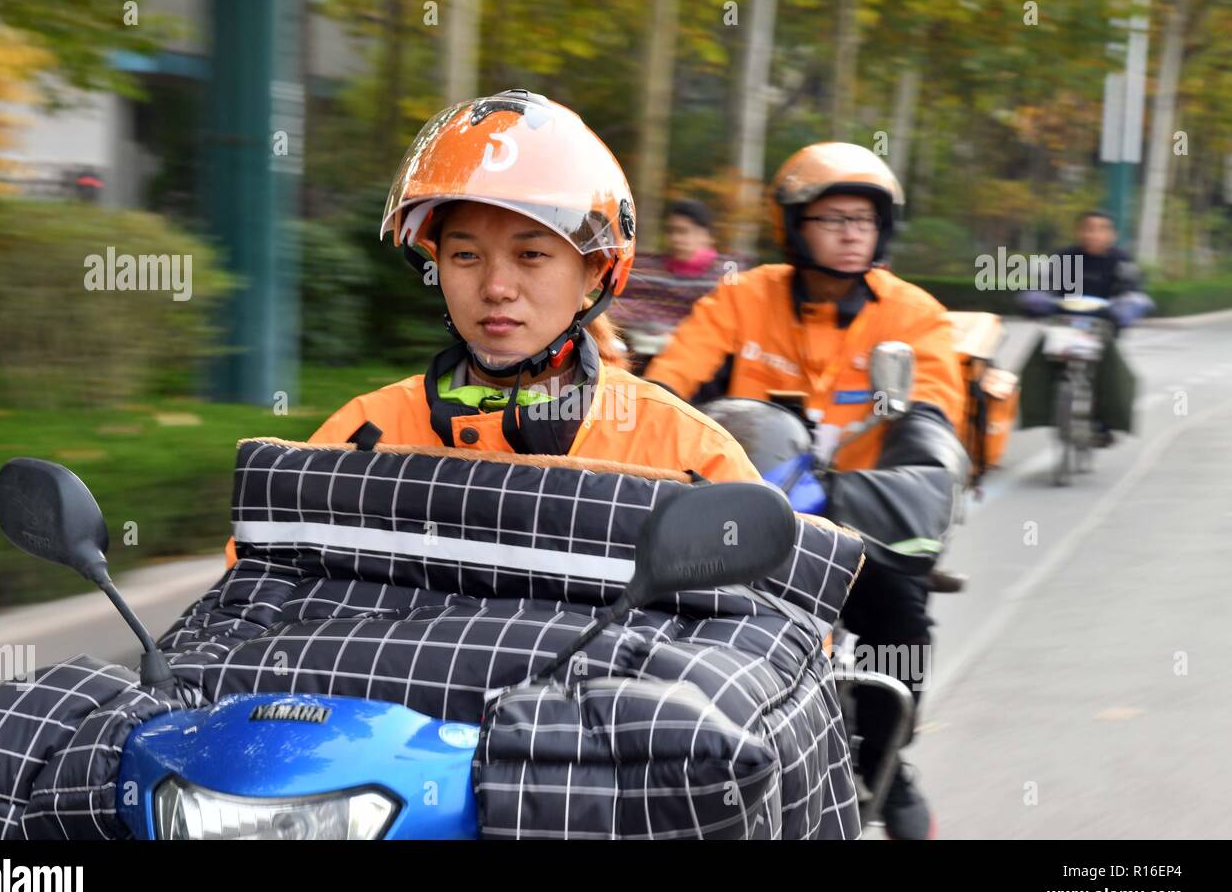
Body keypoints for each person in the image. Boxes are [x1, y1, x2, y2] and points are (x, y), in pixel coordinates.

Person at [223, 90, 760, 569]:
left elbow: (768, 638)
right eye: (465, 255)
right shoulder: (365, 431)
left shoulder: (687, 451)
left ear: (595, 272)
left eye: (531, 254)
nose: (496, 286)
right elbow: (252, 592)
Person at [645, 142, 969, 839]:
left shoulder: (914, 316)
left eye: (865, 219)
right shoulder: (741, 298)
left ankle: (887, 764)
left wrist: (915, 477)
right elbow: (673, 383)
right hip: (742, 520)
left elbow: (934, 414)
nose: (853, 232)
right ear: (794, 225)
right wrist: (646, 424)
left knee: (898, 633)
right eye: (833, 217)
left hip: (862, 528)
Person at [1016, 210, 1154, 447]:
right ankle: (1040, 413)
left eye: (1101, 229)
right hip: (1062, 326)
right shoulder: (1063, 258)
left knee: (1114, 375)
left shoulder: (1122, 262)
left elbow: (1134, 292)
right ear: (1079, 232)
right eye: (1089, 228)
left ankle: (1104, 422)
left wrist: (1128, 307)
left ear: (1112, 235)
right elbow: (1041, 286)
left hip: (1102, 330)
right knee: (1034, 367)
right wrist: (1035, 301)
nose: (1094, 234)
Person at [606, 199, 737, 376]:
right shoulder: (648, 270)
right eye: (672, 231)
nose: (676, 238)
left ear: (707, 236)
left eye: (684, 231)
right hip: (643, 357)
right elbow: (620, 308)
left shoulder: (727, 274)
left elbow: (731, 322)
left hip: (701, 365)